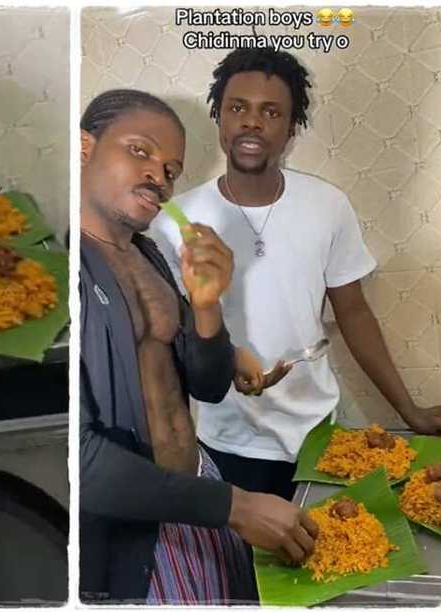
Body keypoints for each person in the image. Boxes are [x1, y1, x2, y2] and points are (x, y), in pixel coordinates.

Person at [149, 47, 441, 503]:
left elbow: (354, 313)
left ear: (291, 129)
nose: (252, 122)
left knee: (325, 561)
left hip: (319, 435)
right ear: (219, 118)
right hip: (226, 443)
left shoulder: (327, 205)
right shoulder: (176, 221)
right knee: (243, 573)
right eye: (237, 108)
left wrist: (410, 411)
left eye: (270, 112)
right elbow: (173, 338)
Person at [78, 88, 317, 605]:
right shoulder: (56, 270)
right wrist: (235, 506)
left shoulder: (151, 257)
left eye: (170, 169)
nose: (157, 177)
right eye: (139, 151)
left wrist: (207, 306)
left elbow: (206, 386)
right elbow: (80, 460)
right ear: (84, 147)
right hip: (133, 531)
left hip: (193, 494)